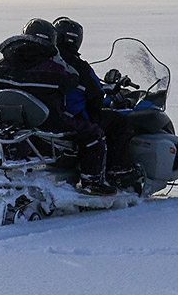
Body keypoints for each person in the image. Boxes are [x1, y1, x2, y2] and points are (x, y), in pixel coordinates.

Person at [0, 18, 113, 195]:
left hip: (11, 122)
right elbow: (74, 84)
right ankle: (93, 182)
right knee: (94, 134)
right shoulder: (55, 69)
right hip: (49, 122)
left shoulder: (0, 66)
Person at [52, 17, 135, 186]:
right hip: (72, 116)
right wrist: (98, 107)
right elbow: (95, 93)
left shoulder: (45, 61)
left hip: (48, 115)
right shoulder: (76, 64)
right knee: (120, 121)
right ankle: (118, 171)